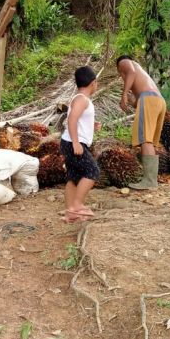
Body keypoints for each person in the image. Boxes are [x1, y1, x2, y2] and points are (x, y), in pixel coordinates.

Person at [116, 56, 166, 190]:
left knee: (145, 140)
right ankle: (151, 179)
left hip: (149, 99)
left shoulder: (125, 62)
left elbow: (131, 71)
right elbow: (138, 102)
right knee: (149, 141)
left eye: (120, 72)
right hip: (159, 101)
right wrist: (131, 100)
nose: (121, 75)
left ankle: (149, 181)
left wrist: (124, 94)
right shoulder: (142, 78)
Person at [60, 66, 101, 223]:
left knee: (74, 177)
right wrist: (76, 143)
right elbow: (72, 119)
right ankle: (77, 205)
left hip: (70, 142)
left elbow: (79, 120)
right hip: (73, 143)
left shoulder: (81, 99)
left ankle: (70, 212)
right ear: (93, 83)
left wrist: (92, 125)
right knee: (92, 171)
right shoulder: (82, 100)